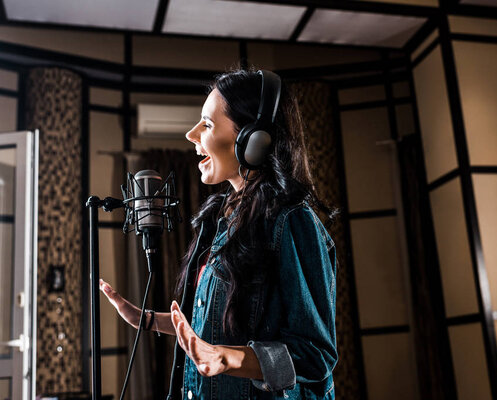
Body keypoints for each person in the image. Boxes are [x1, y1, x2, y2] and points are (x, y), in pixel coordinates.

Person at [99, 68, 339, 399]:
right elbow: (216, 326)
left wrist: (225, 359)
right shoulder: (222, 218)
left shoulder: (292, 221)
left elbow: (315, 356)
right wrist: (148, 319)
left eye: (207, 124)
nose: (191, 134)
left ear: (254, 140)